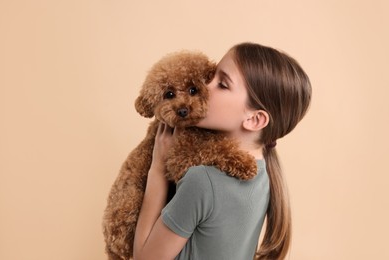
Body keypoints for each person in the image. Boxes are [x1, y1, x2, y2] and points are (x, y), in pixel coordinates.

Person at [133, 42, 312, 260]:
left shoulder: (202, 180)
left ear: (254, 119)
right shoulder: (264, 173)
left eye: (222, 84)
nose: (204, 86)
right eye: (212, 76)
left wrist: (159, 167)